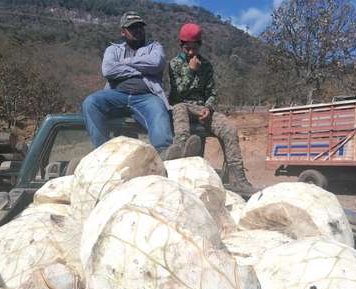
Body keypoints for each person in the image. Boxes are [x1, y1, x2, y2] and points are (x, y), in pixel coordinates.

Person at [168, 23, 259, 197]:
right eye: (187, 49)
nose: (191, 52)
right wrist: (190, 71)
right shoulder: (174, 64)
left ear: (199, 46)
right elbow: (177, 93)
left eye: (194, 48)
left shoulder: (207, 65)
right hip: (183, 105)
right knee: (179, 108)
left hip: (202, 108)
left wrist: (208, 108)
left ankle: (238, 179)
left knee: (229, 129)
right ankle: (181, 148)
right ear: (181, 46)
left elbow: (211, 92)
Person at [82, 11, 181, 160]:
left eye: (140, 27)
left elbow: (156, 63)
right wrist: (141, 70)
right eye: (132, 27)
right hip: (116, 95)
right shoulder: (112, 49)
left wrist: (125, 63)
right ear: (123, 32)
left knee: (159, 110)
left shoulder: (154, 47)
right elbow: (108, 70)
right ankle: (102, 154)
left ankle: (164, 154)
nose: (137, 30)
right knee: (91, 102)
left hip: (146, 96)